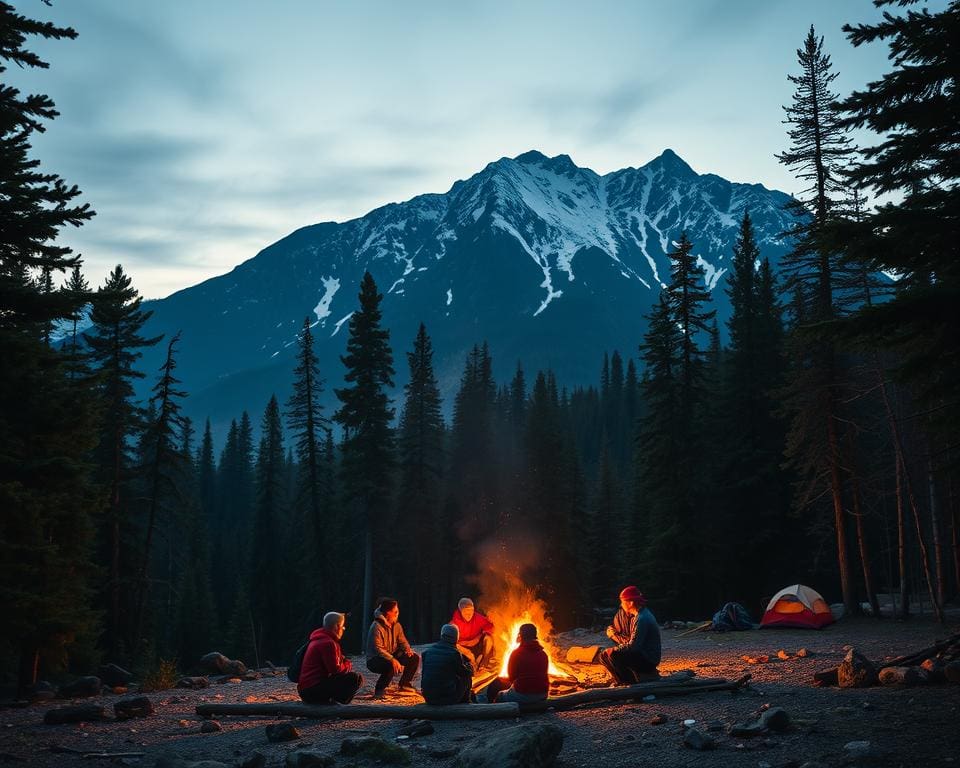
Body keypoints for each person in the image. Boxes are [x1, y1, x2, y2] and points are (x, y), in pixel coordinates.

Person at [598, 586, 661, 684]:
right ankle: (622, 682)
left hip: (649, 660)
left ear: (631, 603)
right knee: (604, 655)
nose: (621, 604)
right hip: (646, 656)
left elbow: (633, 647)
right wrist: (614, 636)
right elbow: (632, 643)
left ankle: (630, 684)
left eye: (623, 602)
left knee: (614, 655)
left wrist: (614, 649)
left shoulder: (642, 618)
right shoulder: (639, 615)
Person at [297, 611, 363, 704]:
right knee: (355, 678)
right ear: (337, 626)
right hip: (312, 690)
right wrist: (347, 664)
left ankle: (333, 702)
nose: (343, 630)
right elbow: (335, 670)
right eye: (343, 627)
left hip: (306, 689)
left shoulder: (318, 639)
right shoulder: (328, 643)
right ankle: (339, 704)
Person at [365, 598, 421, 699]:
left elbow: (402, 641)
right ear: (388, 612)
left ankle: (404, 684)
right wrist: (392, 659)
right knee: (390, 665)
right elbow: (378, 648)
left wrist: (407, 649)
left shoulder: (396, 625)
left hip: (391, 654)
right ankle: (380, 689)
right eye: (395, 611)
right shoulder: (376, 626)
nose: (397, 613)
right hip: (375, 659)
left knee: (414, 658)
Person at [482, 623, 548, 704]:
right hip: (542, 694)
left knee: (497, 689)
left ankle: (494, 709)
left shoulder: (517, 653)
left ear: (520, 635)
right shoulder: (543, 654)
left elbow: (511, 677)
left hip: (523, 694)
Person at [420, 624, 475, 705]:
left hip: (428, 697)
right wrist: (470, 666)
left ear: (442, 635)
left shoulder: (427, 652)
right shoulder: (454, 653)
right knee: (466, 677)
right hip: (446, 699)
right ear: (456, 637)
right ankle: (466, 702)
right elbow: (465, 673)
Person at [450, 597, 497, 672]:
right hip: (463, 648)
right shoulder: (454, 624)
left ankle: (483, 664)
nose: (469, 614)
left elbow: (490, 627)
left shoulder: (478, 618)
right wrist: (466, 652)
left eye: (471, 610)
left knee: (489, 639)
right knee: (465, 655)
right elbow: (451, 642)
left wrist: (479, 636)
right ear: (460, 611)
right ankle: (472, 665)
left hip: (476, 645)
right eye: (466, 611)